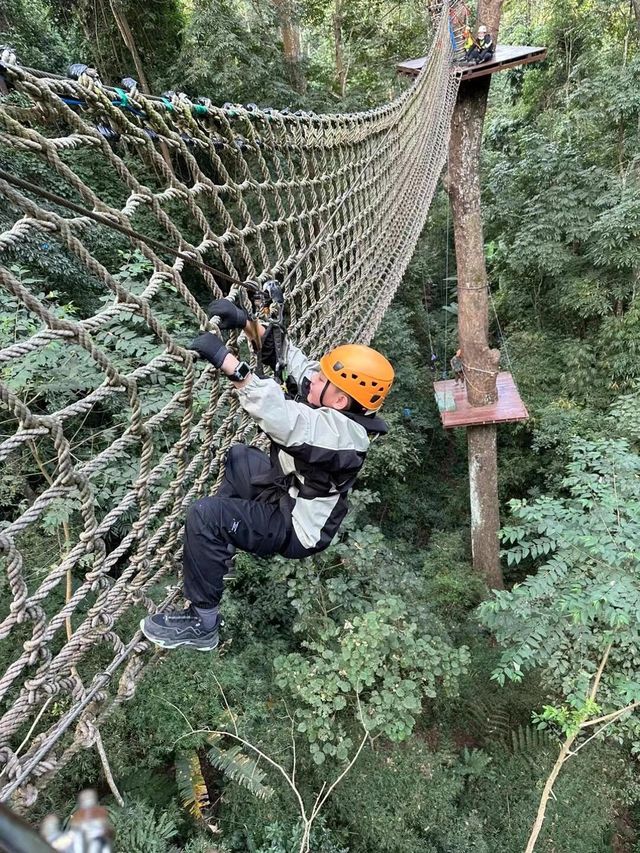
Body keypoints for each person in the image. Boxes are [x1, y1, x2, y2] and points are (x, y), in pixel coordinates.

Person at [140, 298, 394, 651]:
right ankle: (220, 551)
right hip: (284, 490)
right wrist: (247, 323)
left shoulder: (345, 437)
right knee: (240, 457)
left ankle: (203, 623)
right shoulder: (334, 397)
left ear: (340, 400)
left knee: (205, 515)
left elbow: (285, 420)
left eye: (325, 378)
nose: (315, 378)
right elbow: (294, 362)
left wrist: (230, 365)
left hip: (295, 528)